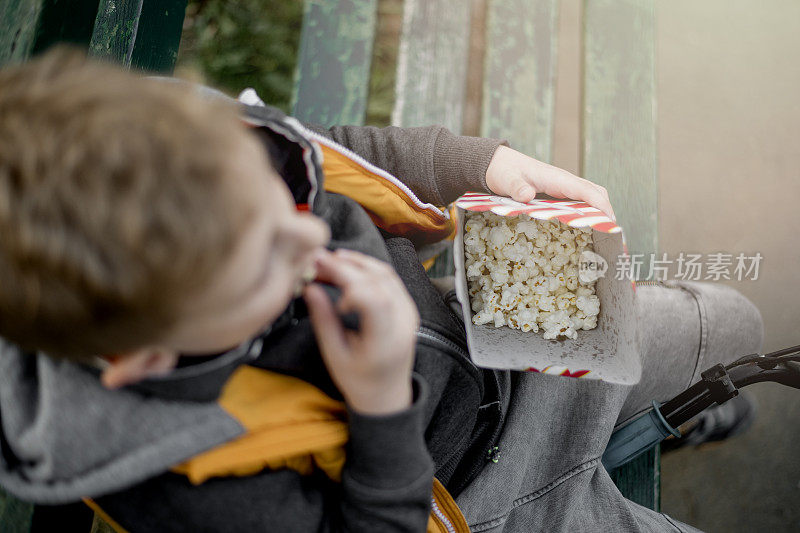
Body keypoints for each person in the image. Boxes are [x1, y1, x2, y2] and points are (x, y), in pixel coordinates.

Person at [0, 47, 763, 532]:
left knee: (737, 324)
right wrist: (379, 406)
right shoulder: (180, 483)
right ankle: (658, 428)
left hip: (484, 329)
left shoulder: (191, 153)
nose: (312, 238)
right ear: (145, 357)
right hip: (479, 501)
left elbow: (335, 152)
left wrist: (473, 164)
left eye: (289, 199)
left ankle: (691, 419)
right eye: (265, 267)